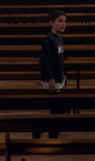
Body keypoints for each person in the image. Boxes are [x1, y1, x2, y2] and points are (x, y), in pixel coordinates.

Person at [34, 10, 68, 139]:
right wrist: (51, 78)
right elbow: (44, 61)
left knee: (57, 110)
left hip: (58, 78)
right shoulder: (49, 39)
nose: (63, 24)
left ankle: (42, 131)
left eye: (65, 21)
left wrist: (61, 74)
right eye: (60, 21)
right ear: (51, 23)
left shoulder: (59, 38)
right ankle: (45, 132)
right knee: (59, 110)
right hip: (51, 81)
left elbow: (57, 59)